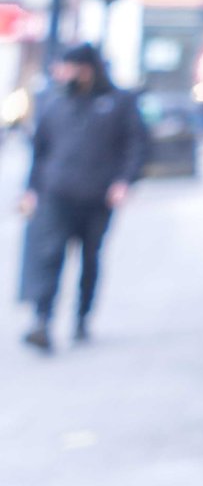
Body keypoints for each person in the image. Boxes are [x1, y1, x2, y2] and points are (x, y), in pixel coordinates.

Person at [16, 45, 149, 353]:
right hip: (56, 193)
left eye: (67, 67)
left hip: (97, 196)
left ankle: (81, 317)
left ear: (85, 69)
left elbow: (136, 144)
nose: (61, 74)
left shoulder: (119, 102)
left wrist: (123, 182)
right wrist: (31, 189)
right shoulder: (53, 101)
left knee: (90, 259)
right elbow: (40, 151)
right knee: (49, 256)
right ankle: (42, 320)